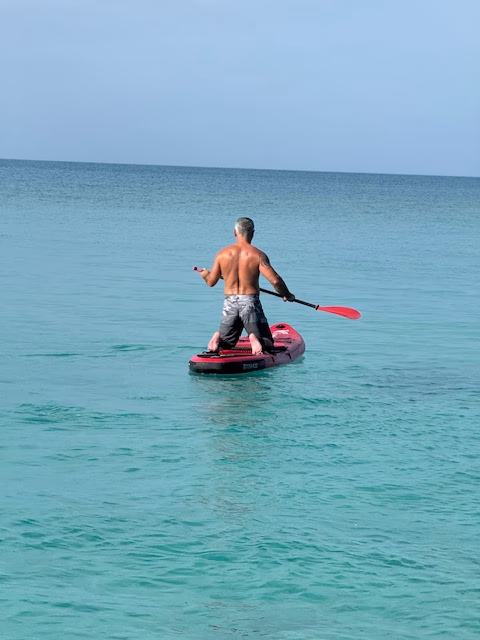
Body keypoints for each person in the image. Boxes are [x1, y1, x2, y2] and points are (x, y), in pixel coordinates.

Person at [196, 217, 295, 355]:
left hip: (229, 302)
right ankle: (255, 340)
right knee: (267, 344)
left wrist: (205, 275)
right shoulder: (258, 255)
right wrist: (287, 294)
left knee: (225, 345)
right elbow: (275, 281)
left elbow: (211, 282)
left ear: (234, 232)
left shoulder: (222, 254)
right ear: (252, 233)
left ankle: (217, 340)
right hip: (249, 303)